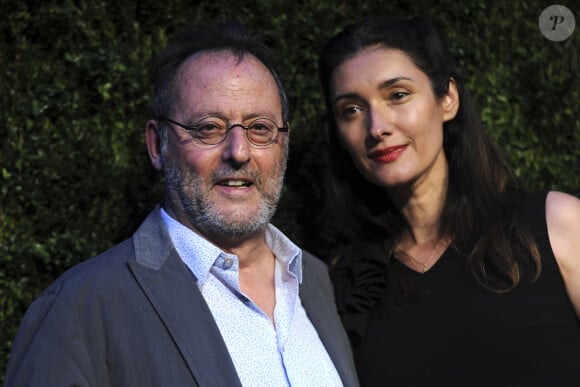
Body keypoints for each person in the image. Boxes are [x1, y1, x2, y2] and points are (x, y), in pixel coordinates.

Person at [4, 21, 358, 387]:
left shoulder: (314, 281)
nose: (239, 152)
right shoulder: (78, 309)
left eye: (260, 128)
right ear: (158, 145)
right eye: (209, 128)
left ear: (283, 143)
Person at [318, 15, 580, 387]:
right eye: (352, 110)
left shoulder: (559, 224)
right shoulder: (348, 284)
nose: (376, 126)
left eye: (397, 95)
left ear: (447, 99)